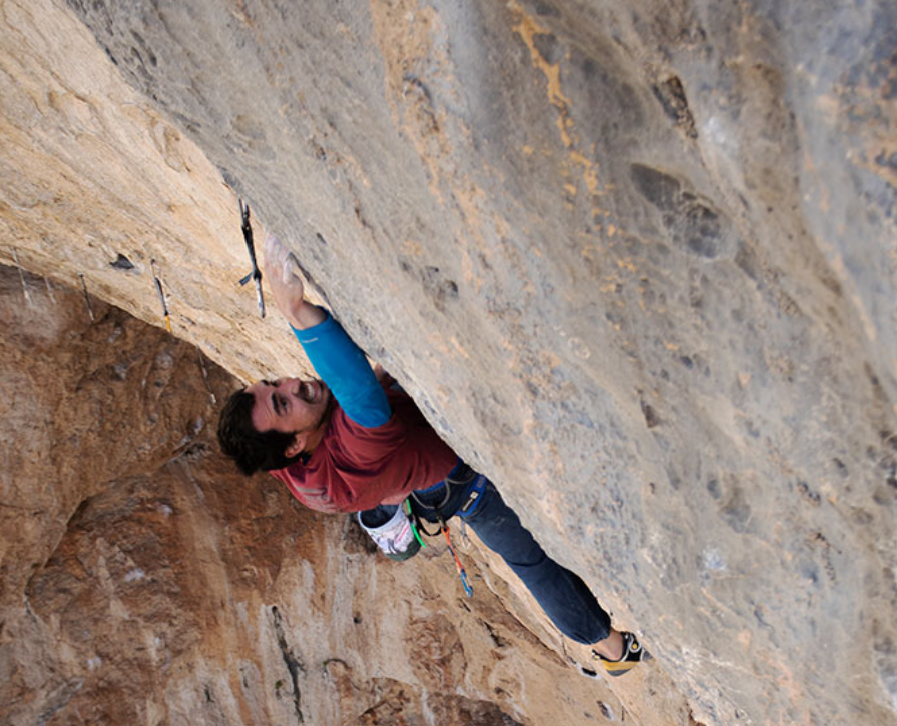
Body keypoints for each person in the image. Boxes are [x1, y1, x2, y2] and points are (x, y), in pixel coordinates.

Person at [217, 235, 647, 674]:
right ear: (293, 445)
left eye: (275, 385)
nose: (292, 385)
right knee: (532, 565)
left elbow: (359, 397)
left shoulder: (283, 458)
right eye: (283, 403)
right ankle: (612, 649)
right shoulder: (346, 463)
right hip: (466, 487)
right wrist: (296, 312)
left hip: (422, 473)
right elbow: (362, 399)